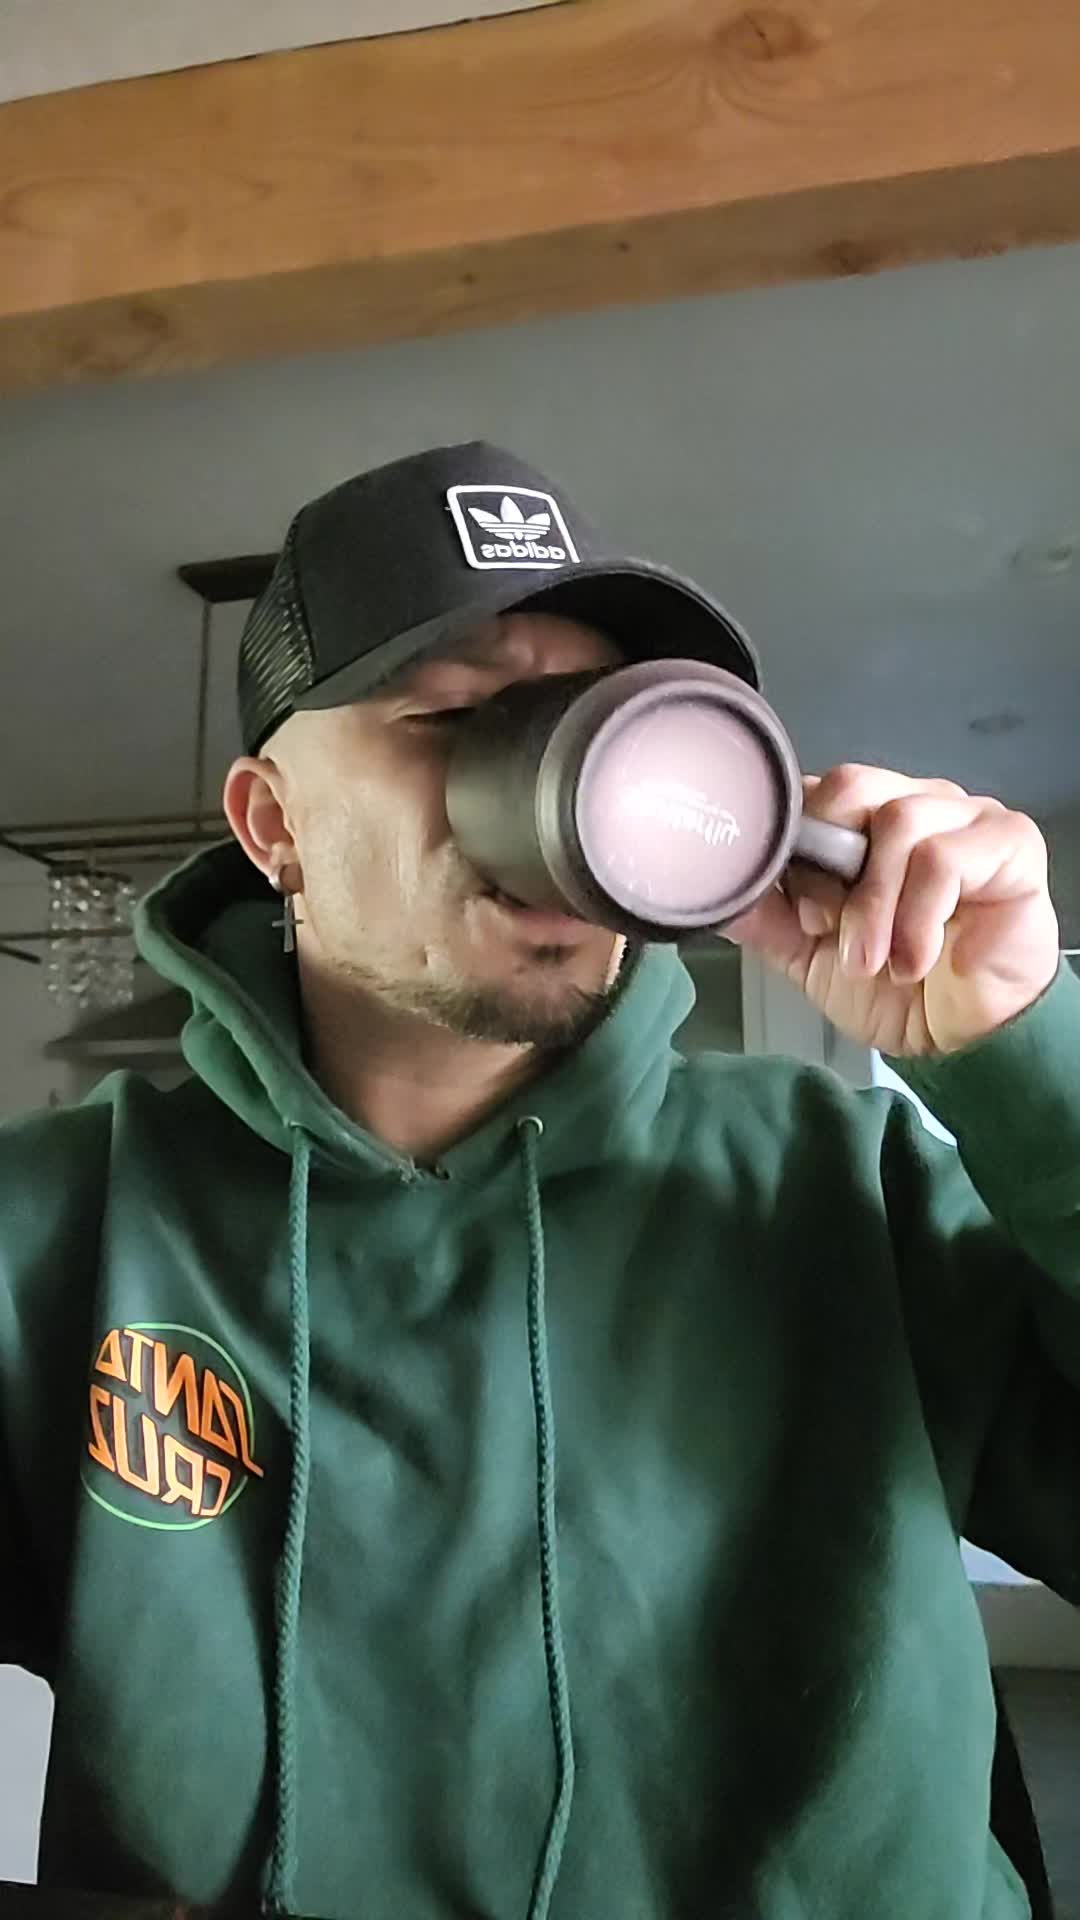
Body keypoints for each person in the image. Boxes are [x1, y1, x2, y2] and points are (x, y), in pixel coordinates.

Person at [1, 439, 1075, 1920]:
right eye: (454, 721)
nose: (563, 788)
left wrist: (1027, 1058)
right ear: (274, 826)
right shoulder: (53, 1233)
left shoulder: (841, 1184)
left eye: (599, 725)